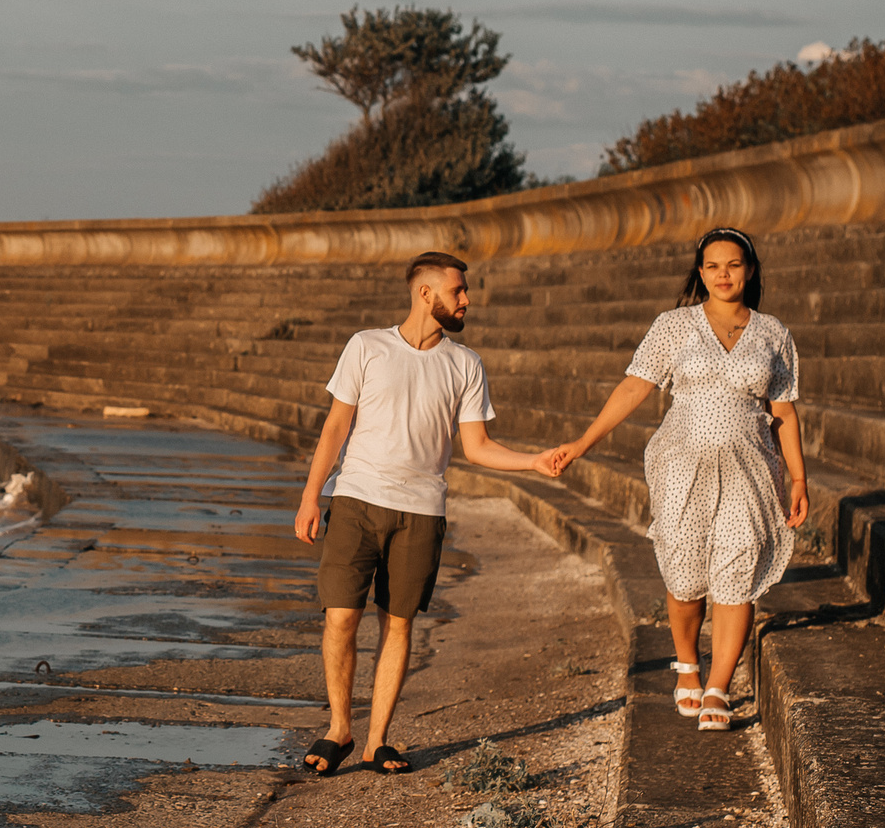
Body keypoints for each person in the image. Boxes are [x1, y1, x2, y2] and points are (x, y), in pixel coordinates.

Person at [293, 251, 548, 776]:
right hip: (356, 498)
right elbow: (336, 426)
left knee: (398, 623)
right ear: (425, 293)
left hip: (421, 510)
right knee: (341, 616)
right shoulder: (367, 345)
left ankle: (376, 742)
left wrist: (534, 461)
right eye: (458, 291)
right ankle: (339, 728)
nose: (467, 300)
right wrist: (310, 495)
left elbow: (477, 446)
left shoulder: (466, 364)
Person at [541, 228, 807, 732]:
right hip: (681, 468)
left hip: (750, 469)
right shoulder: (674, 325)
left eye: (734, 265)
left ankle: (718, 688)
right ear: (700, 272)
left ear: (750, 270)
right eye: (713, 266)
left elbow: (785, 412)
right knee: (684, 577)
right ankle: (687, 664)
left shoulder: (773, 333)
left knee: (737, 573)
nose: (724, 275)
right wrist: (582, 444)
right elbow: (633, 387)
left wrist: (798, 478)